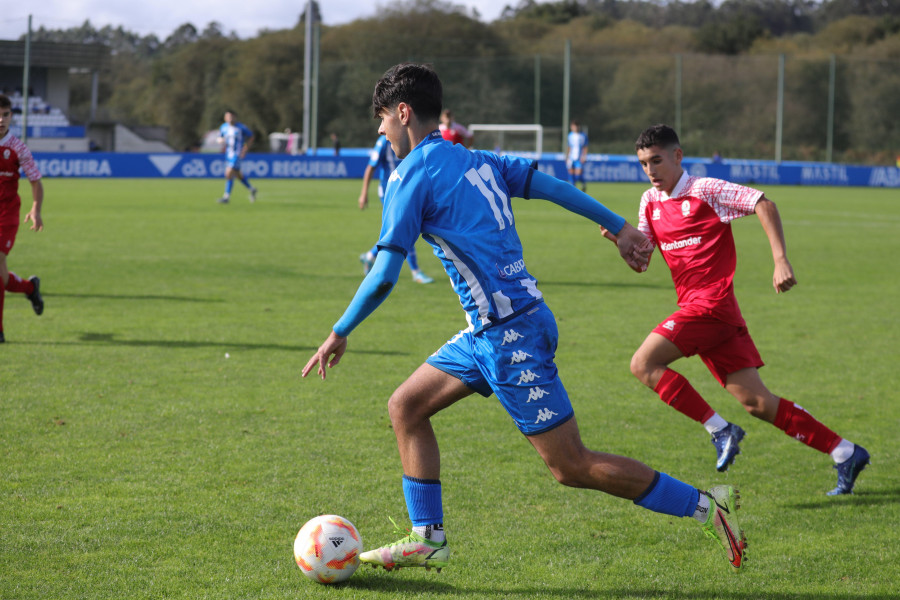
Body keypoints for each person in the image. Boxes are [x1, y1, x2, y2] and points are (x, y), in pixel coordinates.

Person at [303, 64, 747, 574]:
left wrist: (340, 331)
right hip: (498, 328)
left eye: (381, 119)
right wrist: (621, 227)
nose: (380, 131)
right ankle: (428, 539)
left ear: (403, 113)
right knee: (406, 406)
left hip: (510, 336)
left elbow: (384, 274)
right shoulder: (479, 158)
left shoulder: (410, 175)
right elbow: (554, 187)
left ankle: (710, 506)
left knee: (571, 466)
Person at [600, 124, 869, 496]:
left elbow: (763, 202)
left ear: (678, 156)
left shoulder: (706, 190)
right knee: (757, 402)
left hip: (712, 306)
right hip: (704, 312)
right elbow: (642, 262)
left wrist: (780, 260)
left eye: (657, 161)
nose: (650, 171)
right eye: (644, 164)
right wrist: (621, 244)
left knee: (642, 364)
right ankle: (845, 452)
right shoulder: (649, 202)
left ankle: (720, 429)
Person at [358, 134, 433, 284]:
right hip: (389, 192)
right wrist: (364, 193)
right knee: (406, 228)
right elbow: (370, 167)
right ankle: (416, 272)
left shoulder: (410, 137)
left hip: (407, 191)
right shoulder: (383, 142)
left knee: (401, 229)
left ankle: (370, 256)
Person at [0, 94, 45, 343]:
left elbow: (35, 180)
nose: (1, 119)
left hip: (6, 216)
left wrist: (35, 209)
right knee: (1, 277)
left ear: (11, 116)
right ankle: (30, 287)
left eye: (6, 114)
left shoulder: (18, 147)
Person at [216, 110, 257, 204]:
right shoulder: (224, 127)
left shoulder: (241, 127)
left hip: (237, 154)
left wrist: (245, 148)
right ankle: (252, 189)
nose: (229, 119)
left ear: (235, 117)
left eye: (231, 116)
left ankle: (226, 197)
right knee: (238, 175)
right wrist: (220, 140)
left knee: (229, 173)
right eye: (227, 117)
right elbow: (219, 138)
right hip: (228, 154)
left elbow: (251, 137)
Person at [566, 120, 589, 192]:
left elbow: (585, 147)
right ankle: (573, 190)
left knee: (578, 175)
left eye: (575, 126)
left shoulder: (583, 136)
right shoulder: (570, 135)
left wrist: (584, 156)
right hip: (571, 158)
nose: (574, 127)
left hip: (579, 158)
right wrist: (567, 157)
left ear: (578, 127)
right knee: (571, 175)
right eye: (573, 126)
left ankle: (583, 183)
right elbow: (569, 146)